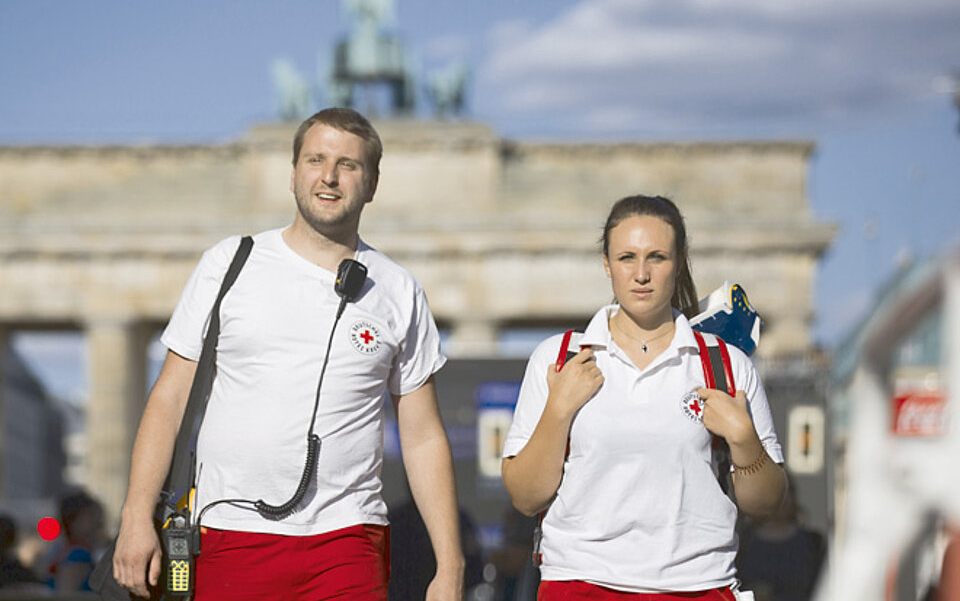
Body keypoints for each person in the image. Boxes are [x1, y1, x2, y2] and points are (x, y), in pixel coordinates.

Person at [113, 108, 465, 600]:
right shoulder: (229, 264)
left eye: (348, 165)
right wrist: (135, 517)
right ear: (293, 171)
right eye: (316, 159)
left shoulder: (398, 290)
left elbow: (423, 434)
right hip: (228, 532)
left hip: (348, 542)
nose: (329, 176)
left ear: (372, 183)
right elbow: (169, 398)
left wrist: (449, 566)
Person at [501, 194, 786, 599]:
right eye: (626, 258)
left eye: (657, 257)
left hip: (698, 586)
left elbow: (767, 503)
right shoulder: (559, 358)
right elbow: (526, 497)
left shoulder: (725, 365)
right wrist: (557, 411)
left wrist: (744, 439)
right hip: (581, 584)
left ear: (680, 261)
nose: (641, 274)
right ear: (606, 263)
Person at [48, 490, 106, 592]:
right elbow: (66, 594)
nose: (98, 522)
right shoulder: (78, 555)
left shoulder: (64, 550)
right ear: (73, 521)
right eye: (91, 516)